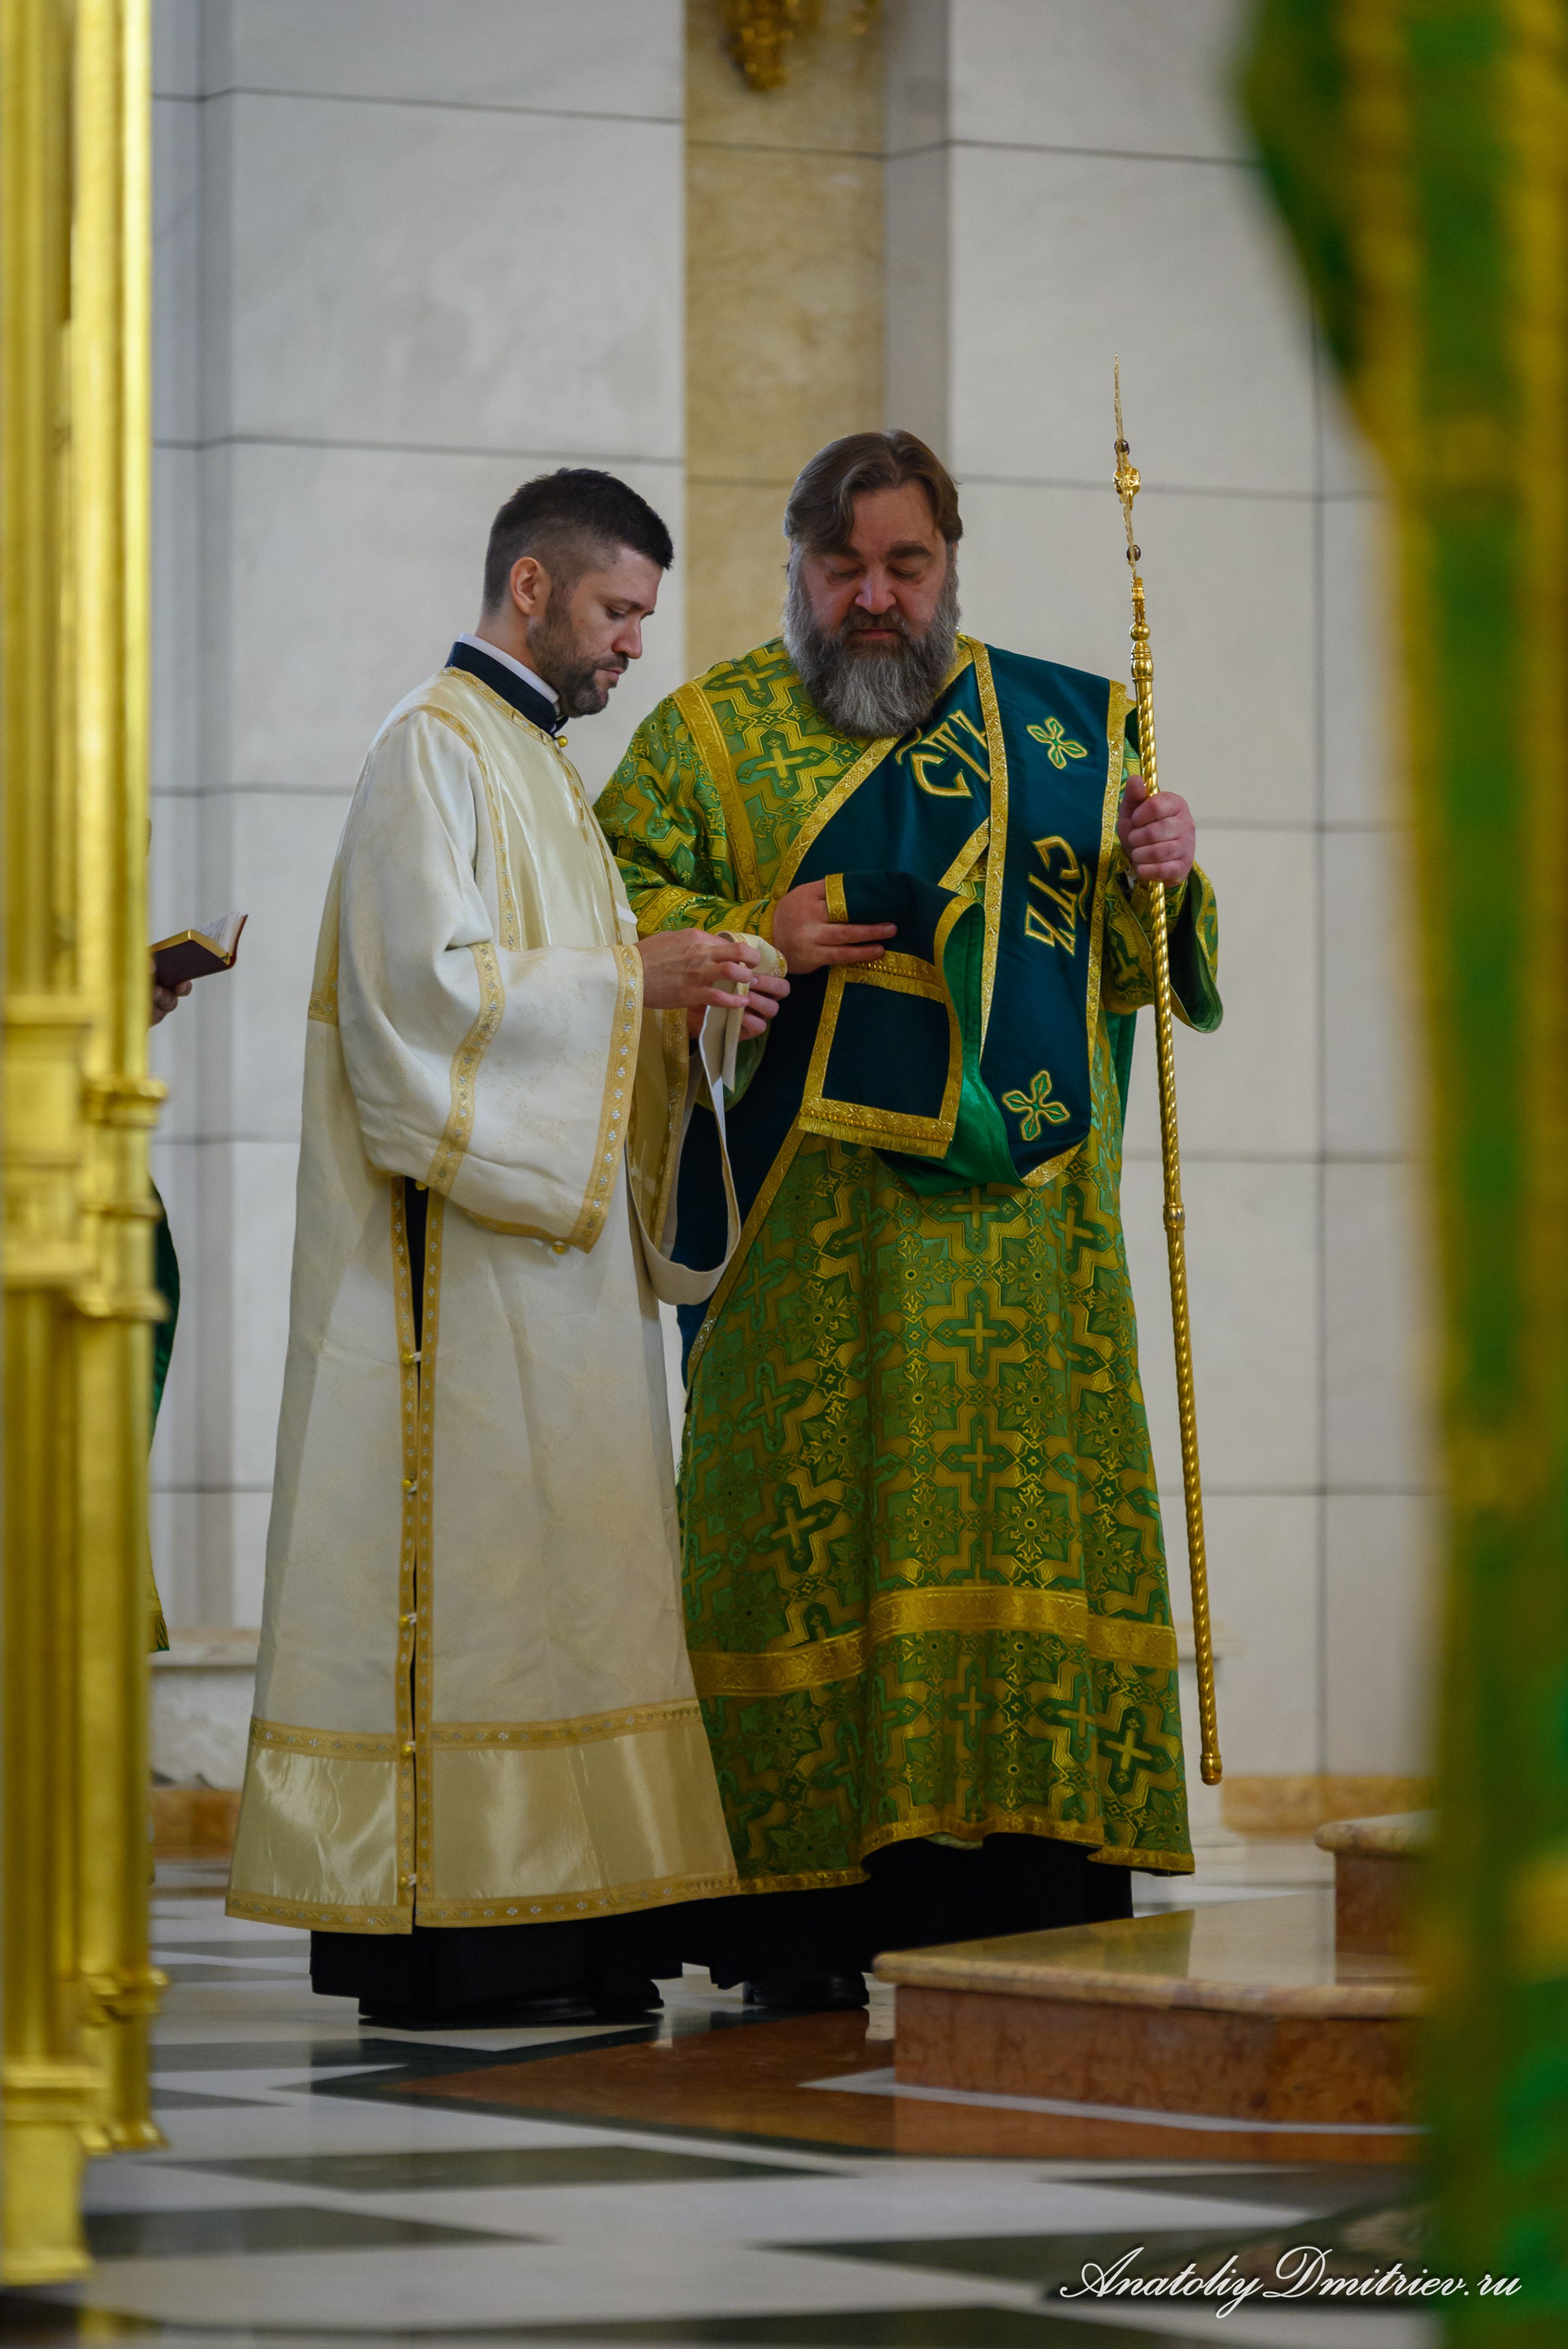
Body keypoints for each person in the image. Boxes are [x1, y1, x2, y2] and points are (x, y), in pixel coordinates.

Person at [595, 430, 1222, 2009]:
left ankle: (1032, 1895)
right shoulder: (705, 739)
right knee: (807, 1554)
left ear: (949, 566)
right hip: (806, 1258)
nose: (875, 598)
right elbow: (599, 919)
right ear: (797, 568)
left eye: (905, 566)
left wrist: (1165, 873)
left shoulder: (1069, 729)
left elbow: (1133, 968)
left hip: (1027, 1260)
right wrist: (757, 931)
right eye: (843, 568)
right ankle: (800, 1925)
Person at [226, 468, 788, 2026]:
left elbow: (587, 1005)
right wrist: (630, 980)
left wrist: (693, 1008)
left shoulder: (542, 768)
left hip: (564, 1284)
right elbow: (423, 1005)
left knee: (579, 1595)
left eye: (643, 620)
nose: (632, 647)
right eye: (617, 611)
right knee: (483, 1598)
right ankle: (467, 1937)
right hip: (459, 1286)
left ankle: (583, 1919)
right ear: (531, 588)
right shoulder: (433, 746)